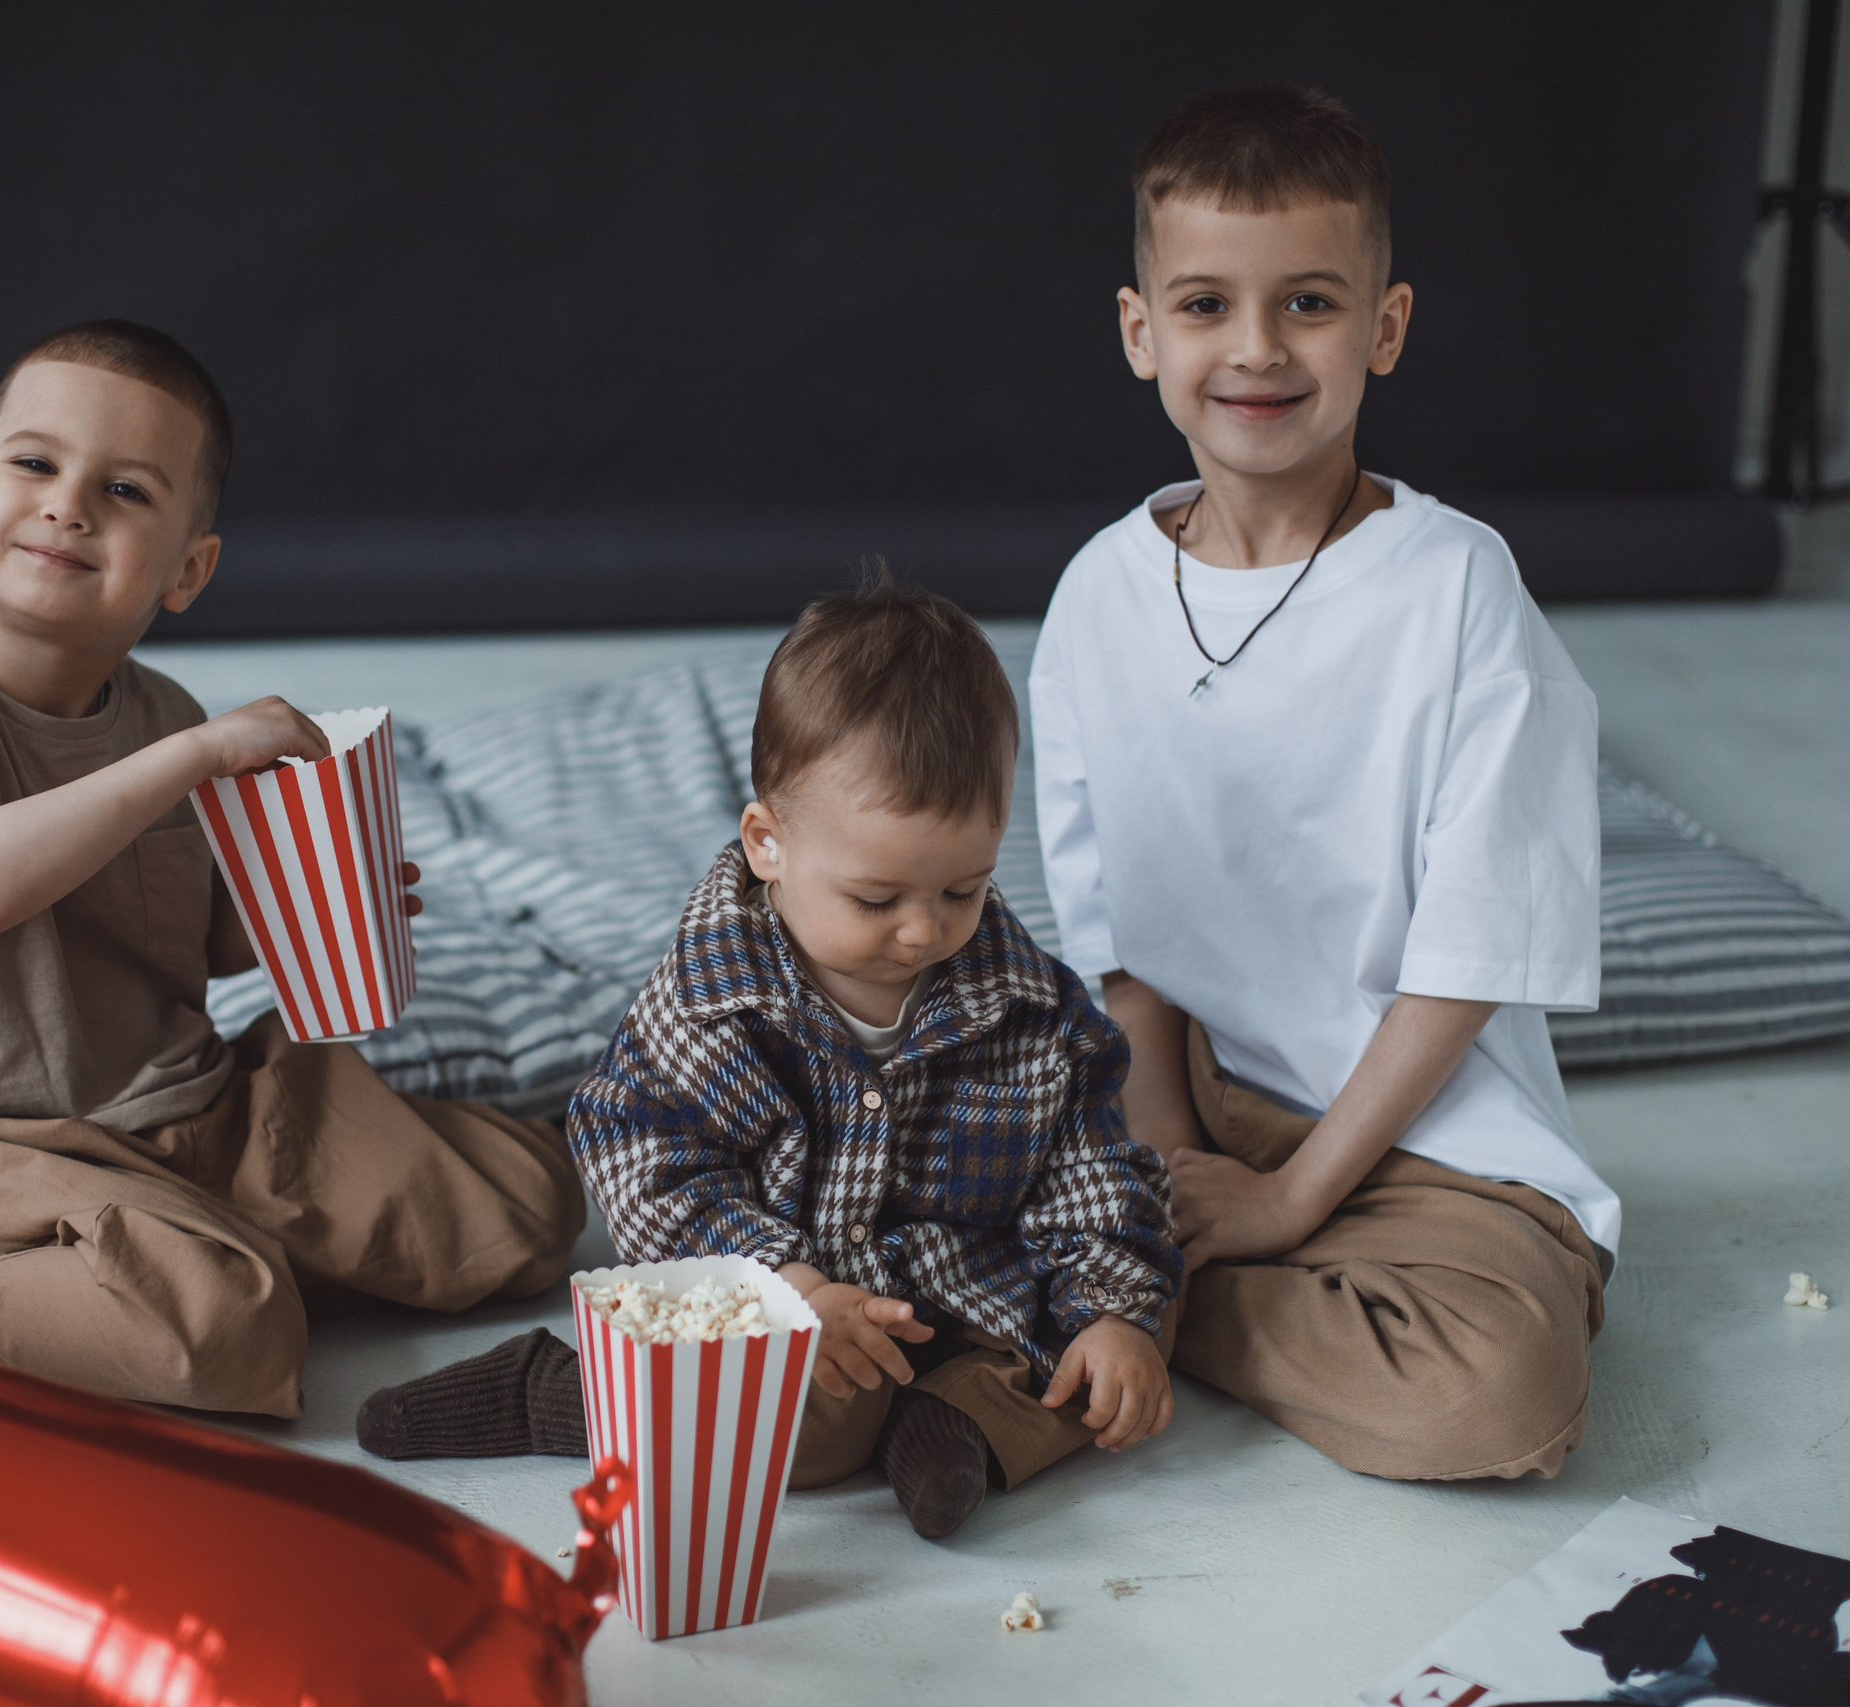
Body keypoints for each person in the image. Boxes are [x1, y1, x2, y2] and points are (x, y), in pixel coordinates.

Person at [0, 321, 582, 1417]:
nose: (70, 504)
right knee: (224, 1329)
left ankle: (207, 1244)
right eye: (35, 464)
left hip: (182, 1103)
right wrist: (194, 760)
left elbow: (195, 937)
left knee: (522, 1208)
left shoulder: (158, 713)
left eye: (124, 490)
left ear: (187, 570)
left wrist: (309, 909)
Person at [1028, 86, 1616, 1481]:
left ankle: (1120, 1311)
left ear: (1386, 327)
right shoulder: (1099, 595)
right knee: (941, 1135)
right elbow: (1128, 949)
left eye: (1307, 303)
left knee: (1503, 1397)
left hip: (1409, 1119)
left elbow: (1467, 954)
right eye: (1205, 306)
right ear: (1139, 331)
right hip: (1192, 1085)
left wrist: (1289, 1198)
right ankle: (1118, 1287)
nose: (1254, 350)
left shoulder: (1457, 590)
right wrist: (1169, 1176)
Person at [356, 577, 1181, 1540]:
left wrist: (1106, 1312)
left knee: (1132, 1339)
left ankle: (947, 1421)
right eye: (877, 899)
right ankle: (567, 1389)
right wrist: (780, 1282)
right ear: (768, 844)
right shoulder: (718, 1001)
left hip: (962, 1296)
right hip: (777, 1300)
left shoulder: (1034, 1009)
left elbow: (1088, 1168)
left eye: (965, 887)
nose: (924, 930)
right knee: (798, 1430)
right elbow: (640, 1154)